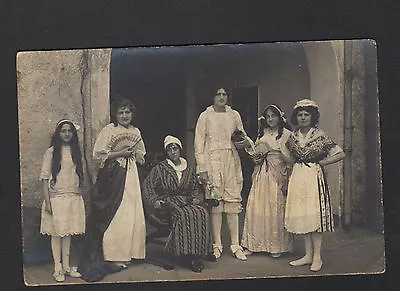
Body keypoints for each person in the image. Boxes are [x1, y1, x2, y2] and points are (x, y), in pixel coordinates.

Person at [78, 98, 146, 282]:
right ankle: (114, 255)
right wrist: (121, 153)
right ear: (115, 115)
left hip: (131, 175)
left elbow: (141, 154)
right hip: (113, 176)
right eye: (121, 113)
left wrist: (138, 157)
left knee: (132, 213)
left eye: (127, 112)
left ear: (132, 114)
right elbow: (98, 154)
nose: (125, 116)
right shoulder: (109, 131)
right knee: (117, 213)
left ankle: (130, 253)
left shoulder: (136, 132)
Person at [284, 99, 345, 272]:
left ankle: (317, 257)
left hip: (313, 176)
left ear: (312, 117)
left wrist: (322, 163)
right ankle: (307, 255)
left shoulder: (320, 135)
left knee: (314, 215)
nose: (303, 118)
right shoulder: (293, 136)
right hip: (297, 176)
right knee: (302, 214)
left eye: (306, 115)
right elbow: (288, 156)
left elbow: (340, 153)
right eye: (300, 115)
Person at [194, 87, 251, 261]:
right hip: (212, 163)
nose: (221, 97)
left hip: (230, 161)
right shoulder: (205, 116)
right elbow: (199, 143)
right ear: (212, 96)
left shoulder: (234, 115)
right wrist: (202, 168)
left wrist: (244, 143)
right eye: (218, 94)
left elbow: (242, 136)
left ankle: (235, 245)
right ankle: (217, 245)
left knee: (233, 201)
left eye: (224, 94)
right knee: (216, 202)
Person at [142, 135, 213, 272]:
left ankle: (201, 250)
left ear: (180, 150)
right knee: (184, 214)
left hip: (187, 201)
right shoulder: (160, 168)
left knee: (201, 212)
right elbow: (147, 186)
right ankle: (187, 256)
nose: (173, 151)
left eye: (175, 148)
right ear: (166, 153)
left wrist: (197, 198)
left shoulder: (189, 168)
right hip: (168, 204)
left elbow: (195, 188)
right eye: (169, 150)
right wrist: (155, 201)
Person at [241, 105, 293, 258]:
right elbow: (256, 156)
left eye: (273, 116)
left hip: (277, 173)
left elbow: (290, 159)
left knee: (274, 209)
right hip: (262, 174)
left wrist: (287, 178)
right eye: (268, 116)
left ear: (279, 117)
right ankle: (254, 244)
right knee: (256, 207)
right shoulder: (262, 134)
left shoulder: (287, 135)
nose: (270, 119)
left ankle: (275, 246)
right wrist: (255, 157)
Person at [39, 119, 85, 282]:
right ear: (58, 133)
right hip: (56, 198)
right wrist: (48, 202)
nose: (67, 134)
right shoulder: (51, 152)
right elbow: (44, 178)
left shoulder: (75, 152)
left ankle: (66, 266)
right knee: (57, 234)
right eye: (63, 131)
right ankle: (57, 267)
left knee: (68, 233)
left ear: (73, 134)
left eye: (69, 131)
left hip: (72, 197)